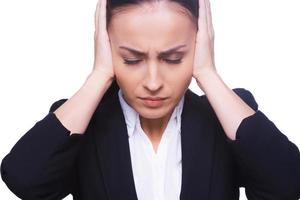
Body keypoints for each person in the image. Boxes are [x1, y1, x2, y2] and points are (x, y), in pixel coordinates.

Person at [1, 0, 299, 199]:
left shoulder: (226, 117)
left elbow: (288, 184)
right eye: (131, 59)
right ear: (106, 47)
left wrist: (207, 72)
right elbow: (23, 179)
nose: (153, 83)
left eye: (173, 58)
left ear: (199, 45)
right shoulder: (81, 123)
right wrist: (100, 75)